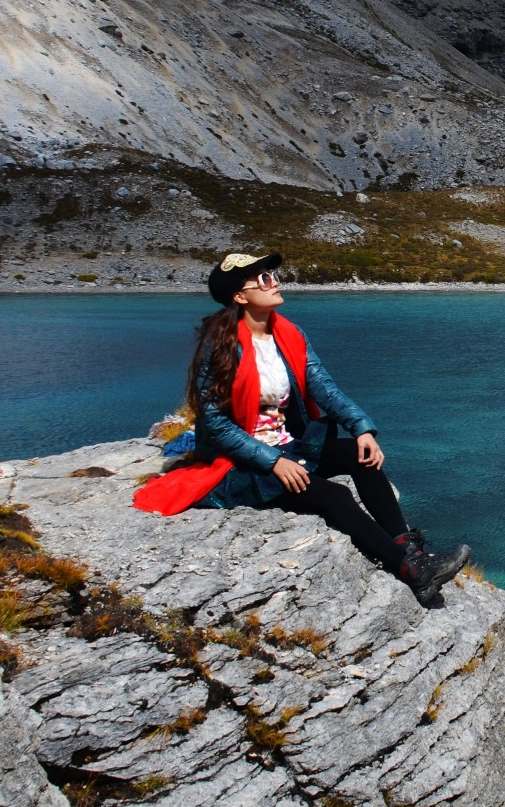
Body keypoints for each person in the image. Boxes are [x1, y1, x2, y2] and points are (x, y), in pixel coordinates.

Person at [133, 252, 470, 604]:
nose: (274, 281)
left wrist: (362, 429)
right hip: (244, 462)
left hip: (286, 445)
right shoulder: (219, 347)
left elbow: (322, 387)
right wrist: (273, 462)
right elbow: (215, 425)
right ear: (239, 295)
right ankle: (410, 572)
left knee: (361, 456)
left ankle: (407, 548)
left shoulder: (288, 334)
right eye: (263, 279)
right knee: (334, 496)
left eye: (272, 274)